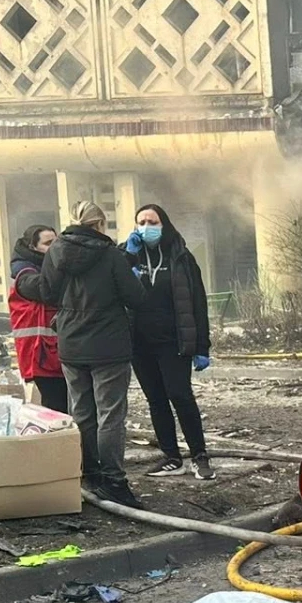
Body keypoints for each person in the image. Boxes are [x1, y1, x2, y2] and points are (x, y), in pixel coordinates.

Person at [37, 202, 143, 507]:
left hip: (71, 343)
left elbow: (47, 292)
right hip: (109, 344)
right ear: (99, 224)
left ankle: (88, 474)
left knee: (82, 412)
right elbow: (135, 297)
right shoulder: (110, 254)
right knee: (110, 414)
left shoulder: (56, 251)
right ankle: (114, 481)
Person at [125, 205, 213, 479]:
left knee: (180, 395)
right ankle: (171, 457)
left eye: (153, 221)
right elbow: (111, 286)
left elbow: (197, 303)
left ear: (164, 224)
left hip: (172, 341)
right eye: (141, 222)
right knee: (156, 400)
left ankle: (199, 455)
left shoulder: (181, 257)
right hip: (139, 344)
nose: (146, 227)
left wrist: (201, 346)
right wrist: (127, 256)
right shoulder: (126, 255)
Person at [9, 224, 66, 414]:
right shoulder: (24, 273)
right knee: (57, 409)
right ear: (33, 248)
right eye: (48, 243)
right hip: (41, 356)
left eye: (57, 242)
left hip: (54, 353)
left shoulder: (50, 265)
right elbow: (44, 289)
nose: (54, 247)